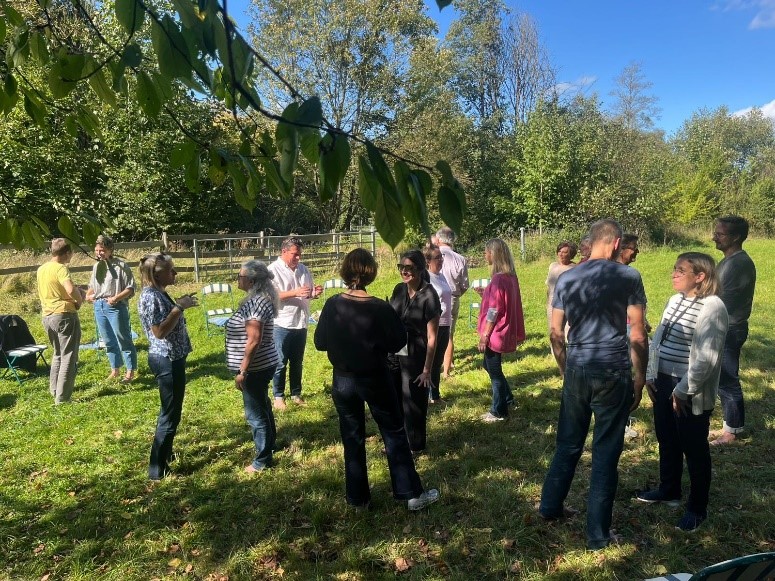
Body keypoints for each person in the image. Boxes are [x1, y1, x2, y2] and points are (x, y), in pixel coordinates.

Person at [539, 218, 648, 550]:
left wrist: (564, 367)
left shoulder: (568, 276)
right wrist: (640, 378)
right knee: (605, 452)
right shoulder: (628, 276)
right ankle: (598, 535)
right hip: (613, 369)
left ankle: (550, 507)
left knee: (568, 442)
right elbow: (638, 332)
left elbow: (556, 333)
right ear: (615, 243)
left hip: (578, 366)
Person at [314, 249, 440, 511]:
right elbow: (398, 341)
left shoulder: (333, 304)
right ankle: (411, 494)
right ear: (371, 273)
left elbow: (320, 342)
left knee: (352, 437)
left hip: (344, 381)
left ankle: (358, 499)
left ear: (345, 272)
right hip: (375, 378)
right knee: (394, 432)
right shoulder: (379, 308)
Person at [637, 252, 728, 532]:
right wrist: (651, 375)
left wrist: (682, 390)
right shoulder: (675, 300)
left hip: (689, 388)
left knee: (694, 447)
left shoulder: (713, 307)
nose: (673, 274)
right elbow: (659, 342)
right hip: (663, 380)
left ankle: (697, 507)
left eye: (681, 271)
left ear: (700, 277)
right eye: (674, 269)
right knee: (666, 437)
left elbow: (706, 358)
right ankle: (669, 489)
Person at [137, 253, 197, 481]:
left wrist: (179, 304)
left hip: (173, 358)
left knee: (173, 412)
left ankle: (165, 455)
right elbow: (159, 332)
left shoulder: (159, 292)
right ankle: (157, 470)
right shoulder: (150, 296)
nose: (175, 273)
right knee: (169, 415)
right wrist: (178, 308)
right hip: (166, 359)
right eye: (171, 270)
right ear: (157, 274)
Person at [225, 260, 280, 474]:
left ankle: (262, 460)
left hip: (255, 367)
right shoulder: (259, 299)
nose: (238, 279)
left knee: (255, 414)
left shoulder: (256, 303)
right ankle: (270, 444)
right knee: (262, 405)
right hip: (263, 363)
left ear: (251, 280)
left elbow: (254, 339)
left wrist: (242, 371)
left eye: (240, 276)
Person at [389, 250, 441, 455]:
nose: (404, 271)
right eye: (401, 267)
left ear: (419, 269)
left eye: (409, 268)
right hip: (394, 352)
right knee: (396, 397)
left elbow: (433, 337)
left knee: (414, 400)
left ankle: (416, 445)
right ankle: (399, 442)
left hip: (416, 354)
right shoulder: (398, 290)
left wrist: (427, 370)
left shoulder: (430, 295)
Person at [711, 216, 756, 446]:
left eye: (720, 234)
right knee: (721, 377)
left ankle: (733, 431)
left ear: (736, 237)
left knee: (728, 378)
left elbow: (721, 299)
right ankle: (730, 424)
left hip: (730, 328)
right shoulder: (728, 260)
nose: (714, 237)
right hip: (723, 326)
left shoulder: (738, 263)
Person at [268, 237, 322, 410]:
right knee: (280, 361)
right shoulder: (272, 270)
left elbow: (306, 293)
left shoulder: (303, 269)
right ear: (284, 252)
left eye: (300, 255)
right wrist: (295, 292)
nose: (298, 258)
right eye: (295, 255)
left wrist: (314, 293)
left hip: (301, 321)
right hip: (282, 322)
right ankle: (278, 396)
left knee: (297, 361)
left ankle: (296, 394)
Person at [476, 239, 526, 422]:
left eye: (487, 252)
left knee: (494, 370)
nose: (485, 255)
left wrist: (485, 336)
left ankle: (499, 410)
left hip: (496, 331)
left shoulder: (498, 278)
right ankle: (508, 397)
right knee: (487, 365)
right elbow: (499, 301)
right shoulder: (509, 276)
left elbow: (494, 310)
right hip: (502, 329)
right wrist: (486, 293)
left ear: (494, 254)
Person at [36, 238, 84, 404]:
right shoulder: (61, 268)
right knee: (69, 356)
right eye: (71, 253)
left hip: (47, 316)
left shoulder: (42, 269)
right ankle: (63, 398)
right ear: (66, 253)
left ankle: (54, 390)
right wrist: (79, 301)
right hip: (64, 315)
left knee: (57, 354)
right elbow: (70, 289)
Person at [85, 235, 137, 383]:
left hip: (115, 306)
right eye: (96, 250)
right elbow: (92, 287)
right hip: (99, 306)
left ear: (110, 250)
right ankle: (115, 369)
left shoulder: (121, 266)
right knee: (108, 340)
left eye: (102, 250)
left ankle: (130, 371)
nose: (99, 253)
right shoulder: (97, 267)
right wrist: (88, 296)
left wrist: (116, 298)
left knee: (123, 339)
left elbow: (131, 288)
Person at [435, 227, 469, 378]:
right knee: (449, 335)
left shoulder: (432, 255)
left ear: (439, 239)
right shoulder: (460, 259)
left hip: (434, 297)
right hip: (453, 298)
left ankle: (433, 364)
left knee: (431, 333)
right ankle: (447, 371)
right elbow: (465, 285)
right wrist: (456, 294)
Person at [423, 243, 452, 404]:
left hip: (446, 323)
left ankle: (435, 395)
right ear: (428, 260)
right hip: (434, 325)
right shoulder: (427, 279)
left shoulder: (441, 276)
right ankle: (427, 395)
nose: (441, 260)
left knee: (438, 361)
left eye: (442, 256)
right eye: (437, 257)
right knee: (430, 361)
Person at [546, 241, 577, 332]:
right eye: (559, 251)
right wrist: (548, 303)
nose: (561, 254)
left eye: (564, 252)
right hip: (552, 304)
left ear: (571, 254)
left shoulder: (574, 268)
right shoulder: (552, 266)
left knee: (569, 332)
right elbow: (549, 287)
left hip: (568, 304)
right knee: (554, 332)